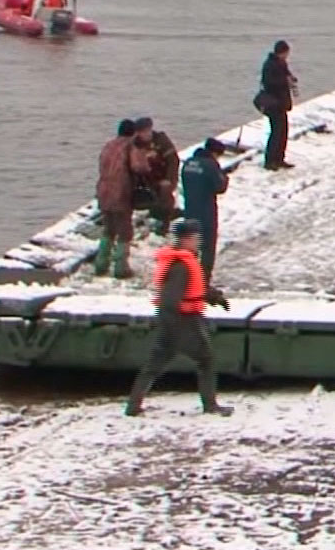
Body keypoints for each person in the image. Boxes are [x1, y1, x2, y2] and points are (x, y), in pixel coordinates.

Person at [123, 218, 231, 418]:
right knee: (206, 360)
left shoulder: (182, 261)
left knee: (154, 364)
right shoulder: (180, 266)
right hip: (182, 321)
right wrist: (176, 328)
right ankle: (210, 405)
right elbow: (171, 300)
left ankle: (133, 406)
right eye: (195, 238)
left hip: (173, 321)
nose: (198, 241)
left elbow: (193, 290)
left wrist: (214, 297)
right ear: (185, 240)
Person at [92, 119, 139, 279]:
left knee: (108, 229)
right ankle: (120, 267)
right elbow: (138, 167)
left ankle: (100, 264)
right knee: (125, 231)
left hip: (104, 191)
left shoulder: (108, 146)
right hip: (121, 193)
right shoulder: (130, 147)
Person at [180, 138, 231, 284]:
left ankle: (186, 276)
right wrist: (224, 177)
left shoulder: (188, 163)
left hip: (190, 211)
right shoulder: (210, 165)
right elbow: (220, 187)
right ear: (214, 153)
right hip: (206, 212)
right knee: (208, 247)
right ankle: (203, 280)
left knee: (190, 246)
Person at [131, 117, 181, 235]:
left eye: (147, 131)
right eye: (142, 132)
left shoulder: (161, 141)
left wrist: (169, 179)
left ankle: (165, 223)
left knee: (164, 194)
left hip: (164, 175)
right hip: (147, 176)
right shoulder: (135, 144)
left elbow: (173, 160)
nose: (145, 135)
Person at [257, 40, 299, 170]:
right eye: (286, 53)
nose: (287, 56)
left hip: (281, 103)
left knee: (283, 132)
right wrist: (285, 82)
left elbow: (286, 74)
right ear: (282, 52)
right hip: (273, 103)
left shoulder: (281, 63)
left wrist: (291, 78)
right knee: (276, 132)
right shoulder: (269, 65)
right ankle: (270, 161)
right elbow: (269, 82)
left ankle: (279, 158)